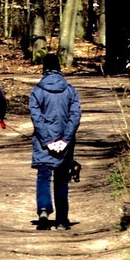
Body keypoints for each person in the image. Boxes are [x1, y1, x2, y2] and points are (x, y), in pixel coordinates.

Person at [28, 52, 81, 230]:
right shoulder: (70, 90)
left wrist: (48, 140)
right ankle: (61, 220)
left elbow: (36, 118)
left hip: (43, 143)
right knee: (61, 179)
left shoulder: (37, 91)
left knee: (43, 176)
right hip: (64, 143)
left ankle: (43, 210)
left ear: (43, 69)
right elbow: (75, 116)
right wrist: (65, 140)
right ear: (59, 68)